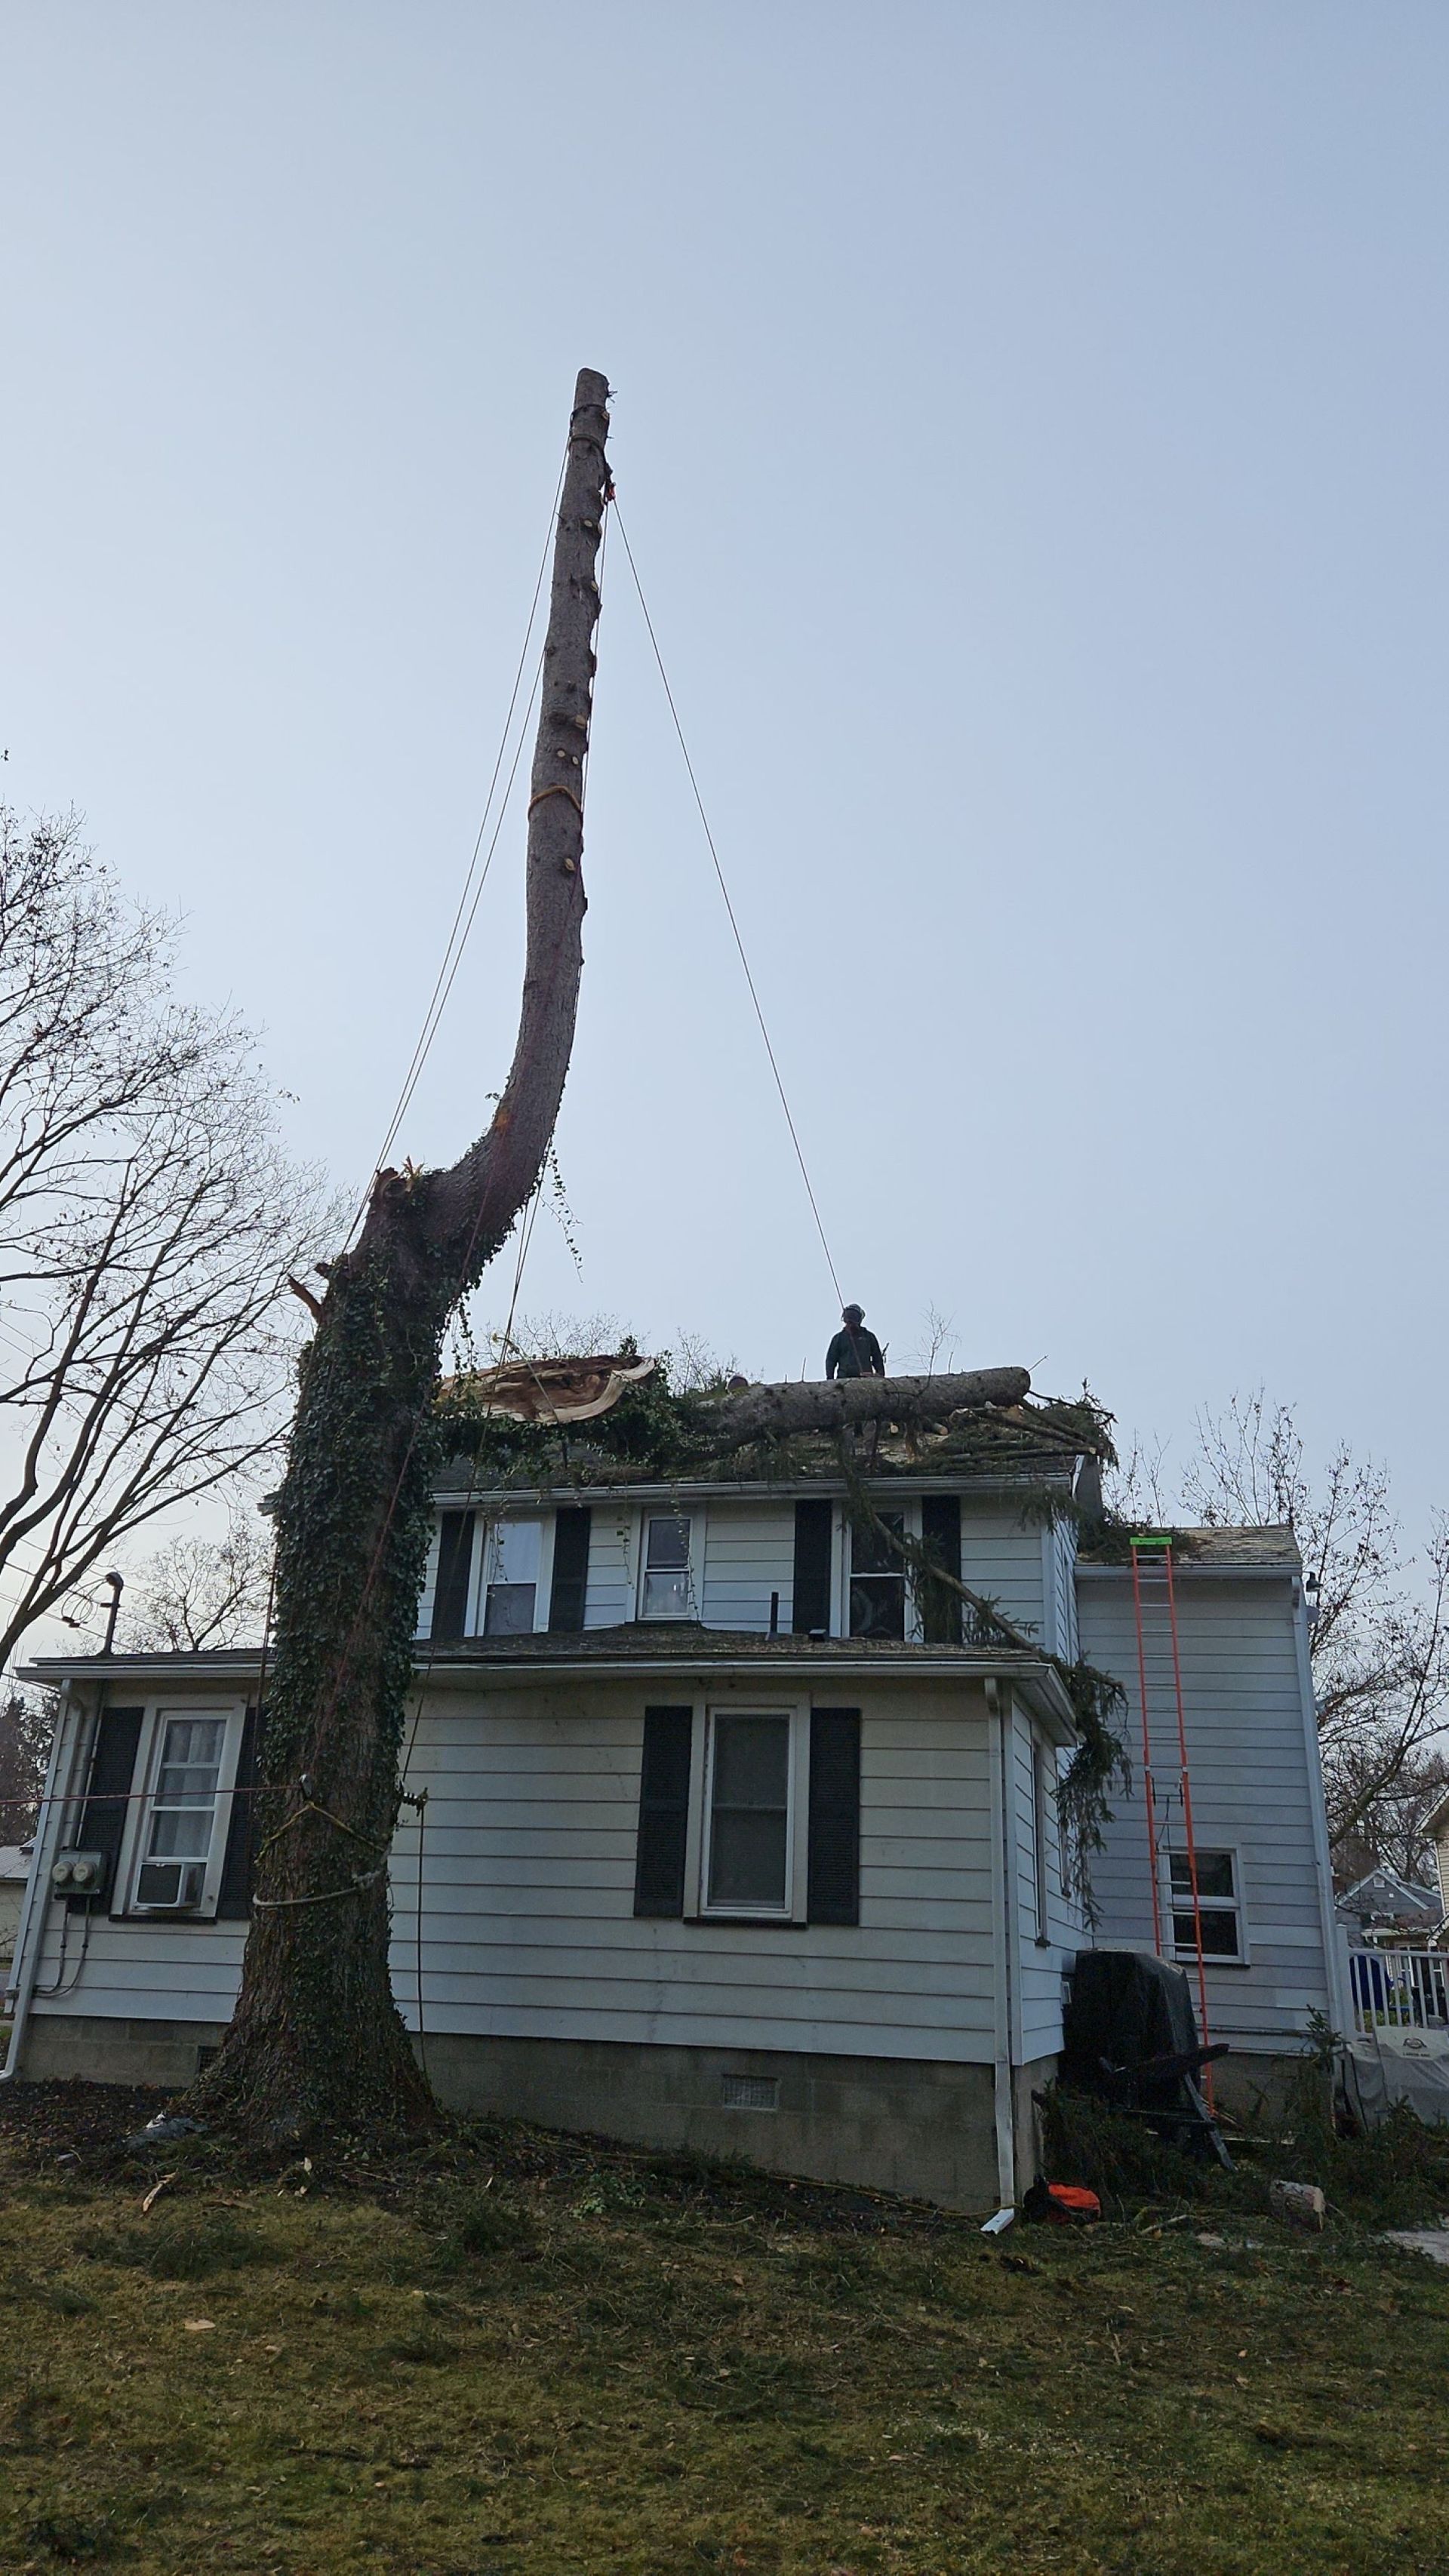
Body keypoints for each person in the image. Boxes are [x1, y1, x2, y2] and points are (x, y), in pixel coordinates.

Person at [825, 1303, 885, 1380]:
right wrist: (830, 1379)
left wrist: (880, 1375)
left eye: (854, 1318)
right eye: (848, 1318)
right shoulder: (838, 1338)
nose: (850, 1323)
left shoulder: (868, 1337)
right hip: (843, 1379)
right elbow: (831, 1360)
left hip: (865, 1380)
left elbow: (877, 1359)